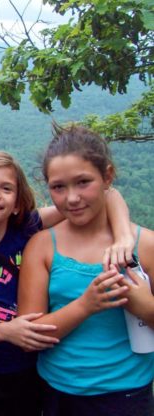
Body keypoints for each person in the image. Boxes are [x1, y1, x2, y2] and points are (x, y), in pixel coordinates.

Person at [0, 150, 133, 416]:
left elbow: (109, 193)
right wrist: (4, 332)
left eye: (7, 188)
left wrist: (123, 237)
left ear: (18, 204)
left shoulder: (28, 228)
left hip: (31, 372)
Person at [18, 124, 154, 416]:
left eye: (83, 182)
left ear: (107, 176)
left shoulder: (145, 245)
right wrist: (86, 305)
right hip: (57, 392)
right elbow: (30, 337)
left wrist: (146, 307)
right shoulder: (42, 247)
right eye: (58, 187)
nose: (72, 198)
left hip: (127, 395)